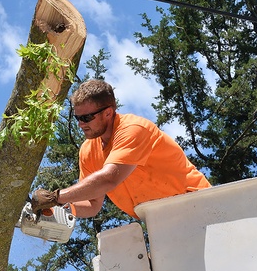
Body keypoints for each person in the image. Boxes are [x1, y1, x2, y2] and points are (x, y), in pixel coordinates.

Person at [30, 79, 210, 219]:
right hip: (160, 219)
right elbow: (92, 204)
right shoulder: (88, 151)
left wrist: (56, 196)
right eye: (77, 118)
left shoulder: (133, 129)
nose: (80, 124)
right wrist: (57, 207)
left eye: (86, 118)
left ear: (108, 113)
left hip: (200, 204)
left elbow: (109, 179)